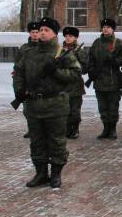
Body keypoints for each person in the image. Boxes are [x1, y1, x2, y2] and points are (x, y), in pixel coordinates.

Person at [13, 17, 81, 188]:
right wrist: (19, 90)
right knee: (37, 141)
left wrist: (56, 72)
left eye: (46, 30)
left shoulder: (62, 53)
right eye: (41, 30)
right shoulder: (29, 53)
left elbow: (74, 76)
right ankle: (41, 173)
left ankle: (56, 174)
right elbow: (19, 72)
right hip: (33, 105)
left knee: (57, 141)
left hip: (55, 105)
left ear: (54, 33)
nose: (42, 33)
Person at [87, 18, 122, 140]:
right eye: (104, 27)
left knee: (113, 107)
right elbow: (91, 59)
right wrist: (92, 72)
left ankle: (113, 129)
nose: (105, 29)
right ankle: (105, 129)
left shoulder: (119, 43)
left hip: (113, 81)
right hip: (99, 81)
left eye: (108, 27)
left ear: (113, 29)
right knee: (102, 107)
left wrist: (115, 62)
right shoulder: (96, 43)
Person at [62, 26, 87, 140]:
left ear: (75, 38)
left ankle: (75, 129)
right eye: (66, 36)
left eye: (70, 36)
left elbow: (84, 68)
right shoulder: (60, 50)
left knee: (75, 110)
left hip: (76, 84)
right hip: (63, 84)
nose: (68, 38)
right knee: (64, 109)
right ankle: (67, 129)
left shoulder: (80, 51)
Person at [16, 21, 40, 139]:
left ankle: (40, 130)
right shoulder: (24, 48)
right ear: (29, 33)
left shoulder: (44, 47)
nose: (35, 34)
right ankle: (32, 129)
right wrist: (18, 86)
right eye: (33, 32)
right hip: (27, 83)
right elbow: (18, 67)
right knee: (27, 109)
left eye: (37, 32)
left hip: (41, 83)